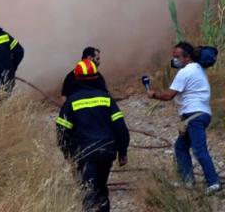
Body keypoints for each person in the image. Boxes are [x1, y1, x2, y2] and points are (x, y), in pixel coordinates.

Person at [146, 42, 221, 194]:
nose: (174, 60)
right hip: (198, 114)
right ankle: (187, 180)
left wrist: (153, 94)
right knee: (180, 146)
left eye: (177, 57)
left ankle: (213, 182)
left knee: (199, 150)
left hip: (194, 115)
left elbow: (168, 95)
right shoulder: (198, 69)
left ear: (187, 57)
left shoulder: (185, 72)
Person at [56, 59, 129, 212]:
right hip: (106, 152)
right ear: (96, 77)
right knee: (101, 188)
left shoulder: (71, 102)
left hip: (84, 153)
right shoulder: (106, 98)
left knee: (88, 191)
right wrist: (122, 152)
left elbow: (62, 131)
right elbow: (120, 127)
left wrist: (67, 153)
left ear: (76, 78)